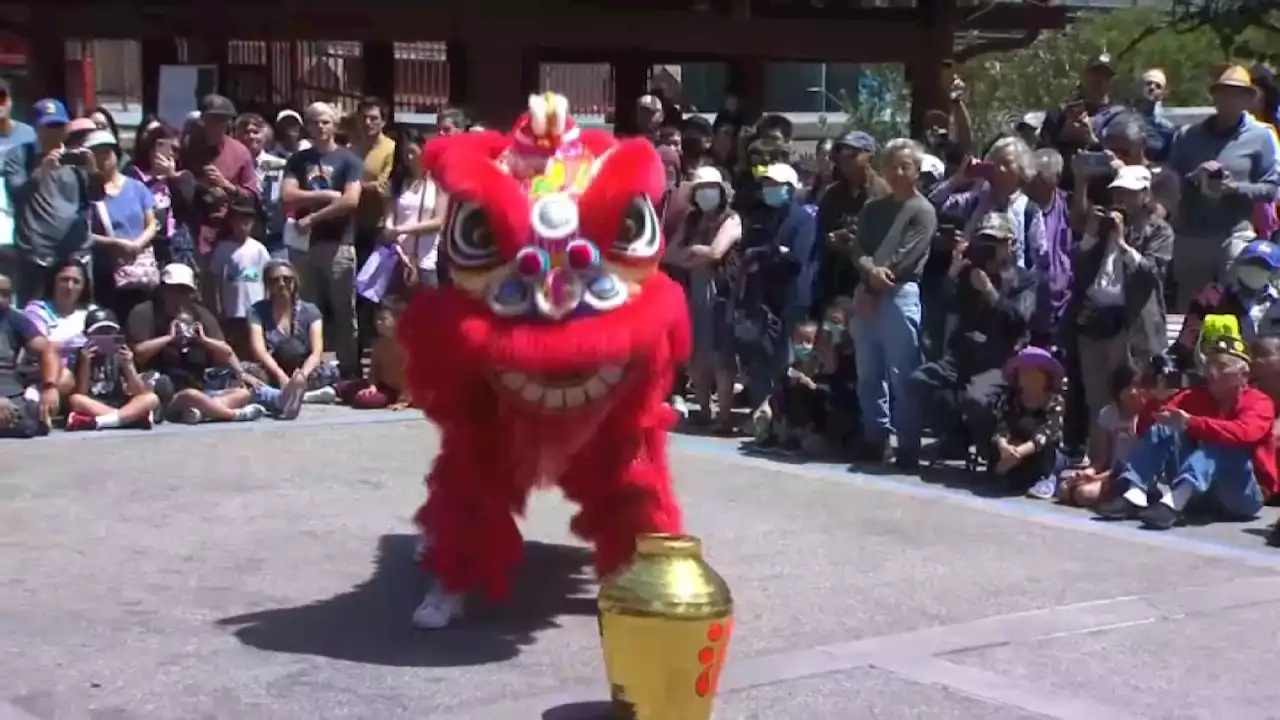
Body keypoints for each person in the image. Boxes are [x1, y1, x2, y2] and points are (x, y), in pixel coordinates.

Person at [1097, 330, 1277, 529]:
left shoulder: (1260, 402)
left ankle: (1175, 502)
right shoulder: (1194, 396)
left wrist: (1191, 422)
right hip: (1198, 491)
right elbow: (1147, 428)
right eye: (1208, 364)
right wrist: (1155, 402)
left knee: (1223, 443)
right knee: (1164, 428)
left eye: (1221, 366)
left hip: (1241, 496)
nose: (1211, 372)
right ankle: (1135, 494)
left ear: (1243, 375)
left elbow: (1245, 432)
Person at [911, 212, 1038, 461]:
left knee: (977, 398)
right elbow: (940, 306)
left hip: (1000, 359)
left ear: (1009, 244)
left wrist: (990, 292)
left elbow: (1019, 319)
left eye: (996, 242)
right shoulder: (969, 272)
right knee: (919, 382)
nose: (990, 248)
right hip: (964, 355)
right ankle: (955, 438)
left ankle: (989, 448)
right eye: (985, 241)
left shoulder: (1025, 278)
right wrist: (954, 269)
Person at [844, 138, 936, 467]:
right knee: (868, 371)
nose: (898, 172)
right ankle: (875, 436)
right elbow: (859, 249)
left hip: (899, 294)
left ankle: (908, 444)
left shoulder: (923, 211)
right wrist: (869, 276)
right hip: (868, 291)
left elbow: (906, 257)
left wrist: (875, 285)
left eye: (905, 166)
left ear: (917, 171)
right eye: (892, 165)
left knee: (903, 372)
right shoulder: (873, 209)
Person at [1067, 165, 1172, 431]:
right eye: (1118, 193)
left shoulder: (1158, 231)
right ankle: (1096, 457)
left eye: (1129, 193)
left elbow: (1152, 273)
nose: (1121, 200)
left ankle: (1127, 459)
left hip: (1131, 325)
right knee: (1096, 397)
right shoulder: (1102, 228)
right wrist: (1091, 234)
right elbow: (1077, 267)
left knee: (1131, 395)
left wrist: (1123, 243)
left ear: (1145, 195)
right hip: (1093, 320)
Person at [1169, 65, 1280, 310]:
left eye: (1237, 93)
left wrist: (1235, 188)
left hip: (1234, 233)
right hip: (1191, 234)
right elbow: (1168, 181)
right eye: (1223, 92)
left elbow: (1271, 189)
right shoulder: (1187, 135)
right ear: (1214, 96)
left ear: (1247, 99)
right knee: (1190, 310)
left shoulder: (1261, 137)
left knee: (1235, 304)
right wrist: (1194, 177)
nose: (1228, 99)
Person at [280, 101, 363, 379]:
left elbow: (351, 200)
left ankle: (349, 372)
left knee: (343, 311)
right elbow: (287, 195)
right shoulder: (298, 160)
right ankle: (308, 372)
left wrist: (313, 218)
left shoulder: (349, 160)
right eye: (315, 121)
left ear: (335, 125)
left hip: (338, 243)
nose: (320, 127)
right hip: (304, 247)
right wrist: (325, 196)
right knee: (308, 310)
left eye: (325, 121)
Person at [125, 263, 264, 424]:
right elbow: (138, 354)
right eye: (174, 290)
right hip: (162, 389)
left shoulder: (200, 314)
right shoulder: (144, 312)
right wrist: (169, 338)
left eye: (184, 291)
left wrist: (204, 340)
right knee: (189, 395)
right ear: (162, 289)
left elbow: (226, 352)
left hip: (198, 385)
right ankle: (232, 414)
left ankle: (200, 411)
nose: (179, 296)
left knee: (242, 394)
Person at [663, 166, 741, 432]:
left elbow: (716, 252)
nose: (705, 193)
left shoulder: (731, 219)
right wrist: (695, 253)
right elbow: (669, 254)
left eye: (710, 188)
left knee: (721, 351)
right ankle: (704, 409)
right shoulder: (691, 220)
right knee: (697, 351)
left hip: (721, 290)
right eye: (700, 189)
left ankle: (725, 415)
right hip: (696, 288)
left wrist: (693, 252)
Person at [2, 102, 96, 304]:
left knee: (74, 318)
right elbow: (16, 194)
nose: (55, 132)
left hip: (73, 254)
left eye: (59, 125)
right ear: (36, 127)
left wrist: (93, 172)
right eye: (48, 126)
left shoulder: (75, 156)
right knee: (33, 315)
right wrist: (41, 171)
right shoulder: (19, 155)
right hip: (36, 255)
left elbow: (94, 199)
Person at [1171, 239, 1280, 376]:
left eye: (1263, 266)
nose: (1255, 270)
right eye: (1250, 263)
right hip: (1224, 376)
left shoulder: (1277, 303)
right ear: (1239, 265)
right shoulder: (1212, 298)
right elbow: (1187, 341)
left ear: (1274, 272)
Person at [245, 259, 339, 412]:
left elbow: (316, 351)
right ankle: (295, 394)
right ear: (268, 285)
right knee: (246, 372)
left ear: (295, 282)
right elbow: (259, 350)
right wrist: (281, 376)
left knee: (330, 371)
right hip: (272, 369)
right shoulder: (256, 311)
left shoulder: (311, 310)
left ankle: (295, 392)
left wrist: (301, 376)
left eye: (287, 279)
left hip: (302, 368)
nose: (282, 284)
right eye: (275, 280)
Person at [86, 129, 160, 323]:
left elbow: (152, 223)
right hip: (107, 274)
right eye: (96, 154)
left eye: (106, 153)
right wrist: (115, 243)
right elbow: (85, 233)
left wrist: (136, 244)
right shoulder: (88, 192)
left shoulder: (137, 187)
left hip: (140, 271)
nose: (103, 159)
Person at [63, 308, 161, 431]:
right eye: (99, 333)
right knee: (75, 400)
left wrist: (129, 366)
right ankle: (129, 419)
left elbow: (139, 392)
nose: (105, 337)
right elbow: (81, 393)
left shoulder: (121, 354)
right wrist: (85, 364)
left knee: (151, 398)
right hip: (94, 405)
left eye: (109, 332)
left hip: (119, 403)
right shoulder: (79, 355)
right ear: (86, 335)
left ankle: (101, 422)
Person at [990, 346, 1067, 498]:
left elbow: (1047, 433)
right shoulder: (1010, 399)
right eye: (1025, 372)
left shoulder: (1055, 401)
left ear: (1047, 377)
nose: (1030, 376)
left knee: (1051, 456)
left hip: (1042, 450)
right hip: (1014, 447)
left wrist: (1020, 452)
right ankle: (1009, 477)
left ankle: (1045, 479)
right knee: (998, 456)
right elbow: (1001, 426)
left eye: (1036, 372)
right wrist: (1004, 446)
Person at [382, 131, 448, 289]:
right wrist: (393, 233)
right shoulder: (398, 183)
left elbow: (439, 222)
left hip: (425, 263)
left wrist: (401, 229)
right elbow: (389, 217)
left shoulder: (438, 183)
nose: (409, 158)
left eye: (412, 152)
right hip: (398, 259)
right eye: (405, 153)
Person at [209, 195, 270, 357]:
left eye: (246, 222)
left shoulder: (259, 249)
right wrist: (217, 306)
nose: (242, 226)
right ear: (231, 223)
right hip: (232, 309)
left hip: (255, 308)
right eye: (238, 221)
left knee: (255, 346)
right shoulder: (223, 249)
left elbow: (267, 277)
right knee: (235, 346)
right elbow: (215, 279)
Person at [0, 271, 59, 437]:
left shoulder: (14, 318)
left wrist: (50, 388)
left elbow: (47, 348)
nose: (0, 299)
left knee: (28, 425)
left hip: (9, 385)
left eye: (5, 294)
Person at [336, 302, 410, 410]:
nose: (378, 323)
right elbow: (374, 370)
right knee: (344, 387)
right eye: (376, 319)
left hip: (401, 392)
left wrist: (402, 401)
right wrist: (372, 386)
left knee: (363, 400)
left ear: (397, 320)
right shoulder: (378, 343)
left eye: (383, 319)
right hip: (383, 385)